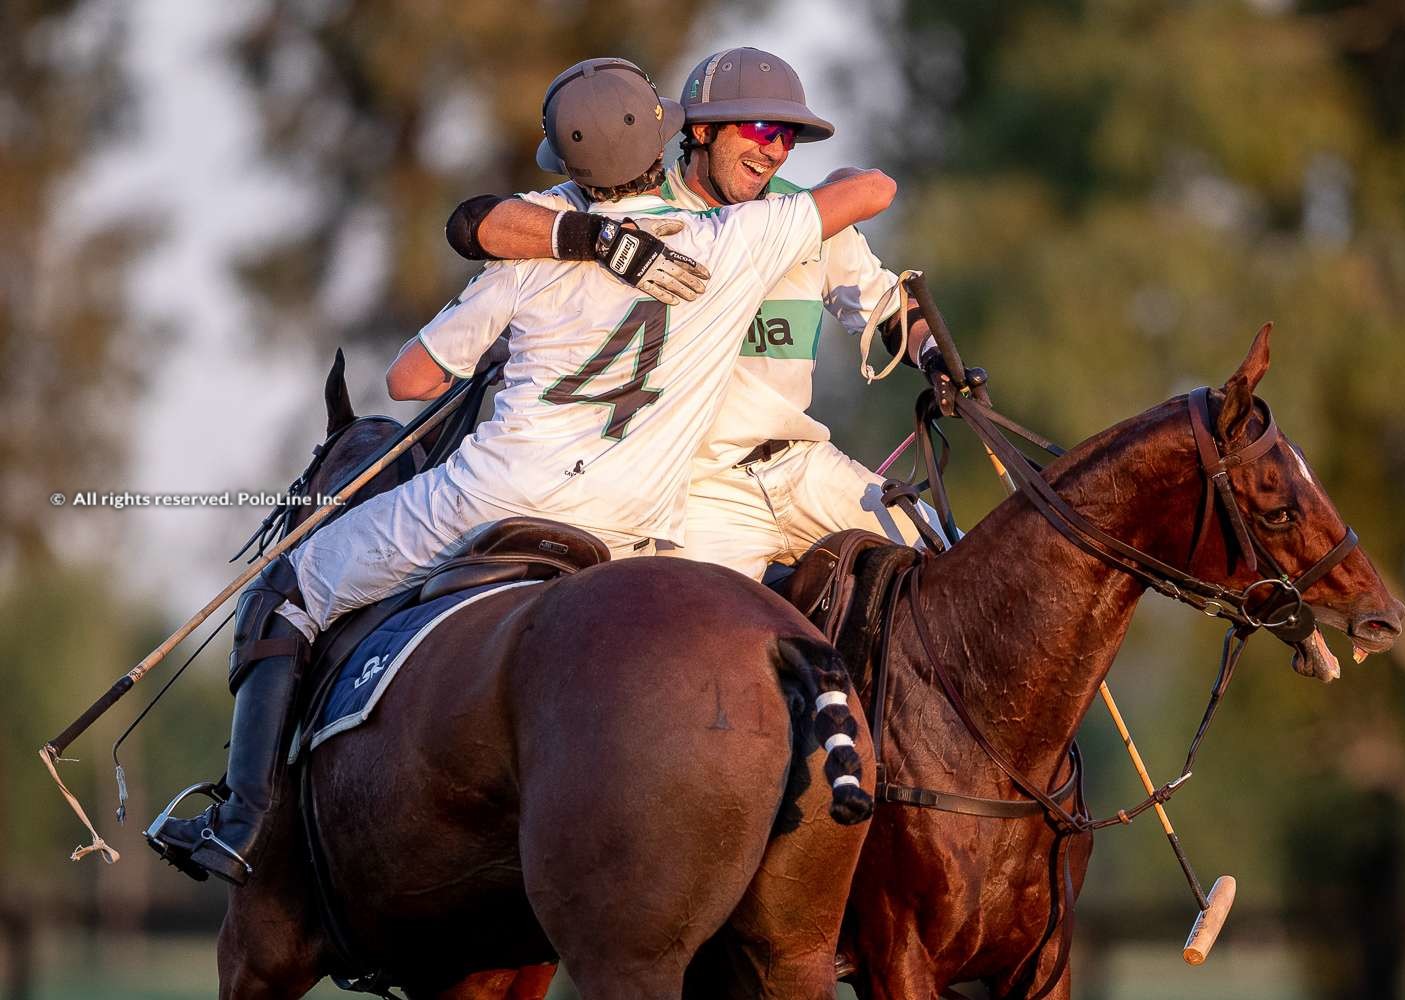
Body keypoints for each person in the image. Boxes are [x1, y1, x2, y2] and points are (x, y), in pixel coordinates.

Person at [148, 55, 898, 886]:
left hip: (490, 496)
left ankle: (243, 819)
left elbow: (409, 382)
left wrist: (546, 284)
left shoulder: (536, 238)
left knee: (290, 585)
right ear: (667, 136)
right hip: (632, 527)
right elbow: (871, 191)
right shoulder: (735, 240)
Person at [445, 46, 945, 582]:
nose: (774, 149)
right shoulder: (621, 202)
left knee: (955, 563)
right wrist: (592, 238)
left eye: (788, 134)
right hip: (696, 491)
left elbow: (890, 312)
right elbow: (478, 224)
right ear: (702, 131)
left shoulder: (808, 214)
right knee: (695, 645)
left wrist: (939, 359)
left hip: (803, 465)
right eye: (758, 126)